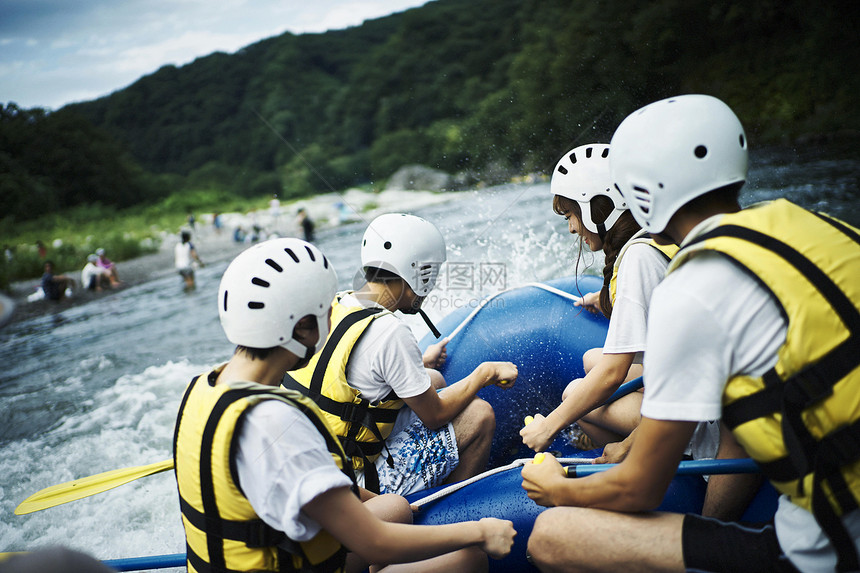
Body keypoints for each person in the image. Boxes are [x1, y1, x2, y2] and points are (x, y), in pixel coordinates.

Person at [521, 94, 860, 572]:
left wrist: (556, 488)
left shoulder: (691, 287)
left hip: (831, 544)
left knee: (552, 535)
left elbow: (640, 487)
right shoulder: (818, 225)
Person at [173, 237, 516, 573]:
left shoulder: (201, 390)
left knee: (394, 506)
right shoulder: (276, 420)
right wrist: (482, 531)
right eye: (325, 313)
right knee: (469, 559)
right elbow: (374, 542)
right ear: (304, 327)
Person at [283, 213, 518, 496]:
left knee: (432, 378)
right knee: (480, 415)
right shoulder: (390, 331)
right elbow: (435, 416)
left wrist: (418, 364)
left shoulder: (341, 302)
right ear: (418, 273)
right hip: (357, 483)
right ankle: (454, 510)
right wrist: (485, 374)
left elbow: (349, 373)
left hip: (318, 464)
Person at [520, 143, 690, 461]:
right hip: (687, 382)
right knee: (590, 359)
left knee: (575, 393)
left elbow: (613, 372)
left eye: (571, 215)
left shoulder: (637, 259)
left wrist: (550, 425)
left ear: (599, 207)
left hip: (691, 415)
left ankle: (629, 459)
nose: (571, 228)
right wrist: (605, 299)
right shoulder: (657, 239)